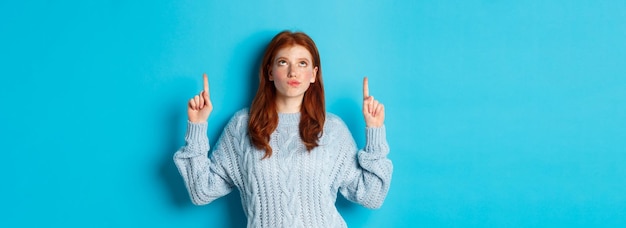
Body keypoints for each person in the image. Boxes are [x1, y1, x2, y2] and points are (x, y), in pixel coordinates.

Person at [174, 31, 392, 227]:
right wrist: (197, 126)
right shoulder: (242, 126)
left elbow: (370, 195)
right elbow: (201, 191)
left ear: (314, 74)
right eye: (283, 62)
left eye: (302, 64)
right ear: (270, 72)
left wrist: (374, 131)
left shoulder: (332, 129)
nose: (293, 72)